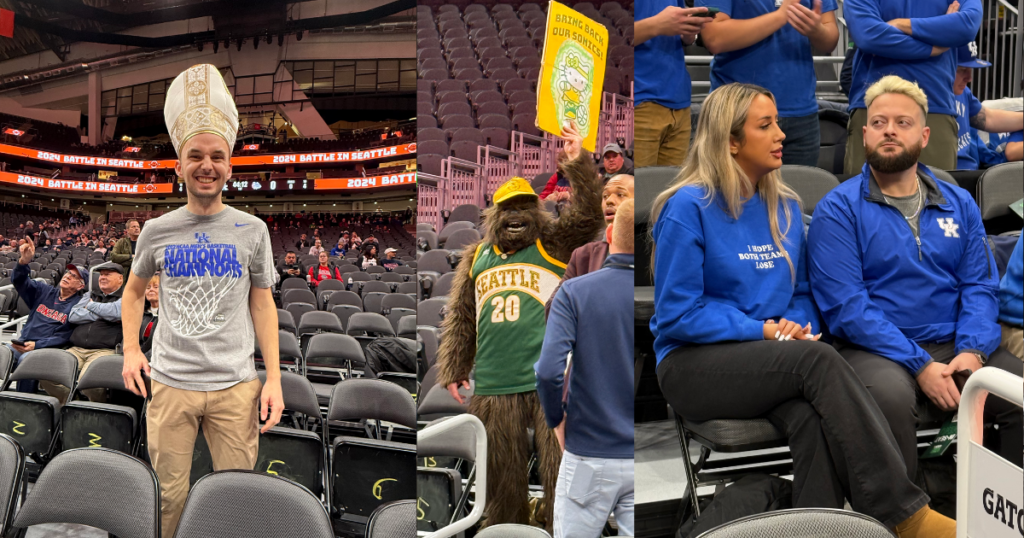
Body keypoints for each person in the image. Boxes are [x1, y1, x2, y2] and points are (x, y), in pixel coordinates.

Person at [651, 82, 954, 537]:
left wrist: (796, 323)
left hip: (773, 359)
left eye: (777, 123)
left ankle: (821, 528)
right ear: (730, 140)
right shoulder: (687, 207)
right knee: (816, 361)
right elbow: (678, 314)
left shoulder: (786, 206)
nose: (781, 135)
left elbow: (806, 293)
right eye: (765, 125)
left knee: (813, 418)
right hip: (693, 363)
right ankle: (902, 514)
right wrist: (763, 330)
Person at [808, 75, 1023, 482]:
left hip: (955, 341)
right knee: (888, 401)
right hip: (875, 349)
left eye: (902, 123)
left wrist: (974, 349)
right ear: (865, 135)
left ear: (924, 136)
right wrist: (918, 362)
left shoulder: (957, 201)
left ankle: (999, 512)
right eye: (879, 122)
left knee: (1016, 391)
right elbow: (847, 307)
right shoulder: (837, 209)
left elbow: (979, 285)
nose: (889, 130)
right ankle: (903, 519)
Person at [120, 63, 283, 537]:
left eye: (216, 156)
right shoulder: (156, 230)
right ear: (179, 165)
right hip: (171, 385)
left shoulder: (253, 230)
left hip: (235, 386)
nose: (206, 165)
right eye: (196, 156)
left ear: (229, 165)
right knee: (168, 497)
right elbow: (132, 294)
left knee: (234, 498)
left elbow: (263, 305)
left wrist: (272, 378)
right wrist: (131, 349)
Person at [536, 200, 635, 538]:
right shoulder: (669, 294)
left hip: (589, 454)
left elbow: (548, 371)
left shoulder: (575, 291)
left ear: (609, 235)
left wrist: (556, 420)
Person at [843, 0, 981, 173]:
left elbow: (967, 25)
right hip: (873, 106)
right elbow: (868, 35)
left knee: (935, 195)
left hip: (935, 107)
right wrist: (933, 45)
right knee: (862, 195)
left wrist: (903, 24)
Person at [697, 0, 838, 167]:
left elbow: (830, 37)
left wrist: (817, 30)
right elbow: (714, 37)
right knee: (731, 191)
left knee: (800, 189)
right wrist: (780, 16)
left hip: (801, 114)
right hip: (739, 112)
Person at [635, 3, 714, 167]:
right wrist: (657, 24)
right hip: (640, 100)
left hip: (679, 99)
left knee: (671, 188)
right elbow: (609, 35)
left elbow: (681, 34)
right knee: (638, 189)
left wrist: (688, 30)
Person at [544, 174, 634, 317]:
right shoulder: (583, 255)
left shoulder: (651, 249)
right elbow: (553, 308)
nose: (609, 201)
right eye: (605, 196)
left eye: (620, 194)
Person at [7, 239, 87, 394]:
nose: (67, 276)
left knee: (27, 362)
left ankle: (24, 407)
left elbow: (65, 336)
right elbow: (20, 281)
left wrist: (37, 345)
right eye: (68, 273)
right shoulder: (44, 291)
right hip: (22, 344)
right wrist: (23, 262)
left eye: (74, 276)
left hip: (48, 349)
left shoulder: (78, 306)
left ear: (80, 286)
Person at [43, 261, 125, 404]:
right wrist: (102, 312)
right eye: (101, 274)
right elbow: (73, 315)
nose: (102, 277)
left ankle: (95, 411)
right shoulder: (90, 293)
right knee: (47, 371)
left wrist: (91, 306)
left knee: (89, 383)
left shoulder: (126, 295)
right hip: (76, 349)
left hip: (104, 350)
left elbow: (116, 312)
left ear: (120, 279)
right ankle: (70, 403)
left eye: (108, 274)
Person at [951, 43, 1024, 170]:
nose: (969, 78)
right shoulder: (929, 97)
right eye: (962, 70)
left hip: (970, 174)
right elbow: (1011, 153)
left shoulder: (964, 92)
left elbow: (988, 118)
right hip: (945, 177)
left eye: (970, 70)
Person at [140, 274, 160, 360]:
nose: (151, 289)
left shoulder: (169, 316)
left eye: (156, 287)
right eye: (148, 288)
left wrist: (143, 359)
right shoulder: (140, 313)